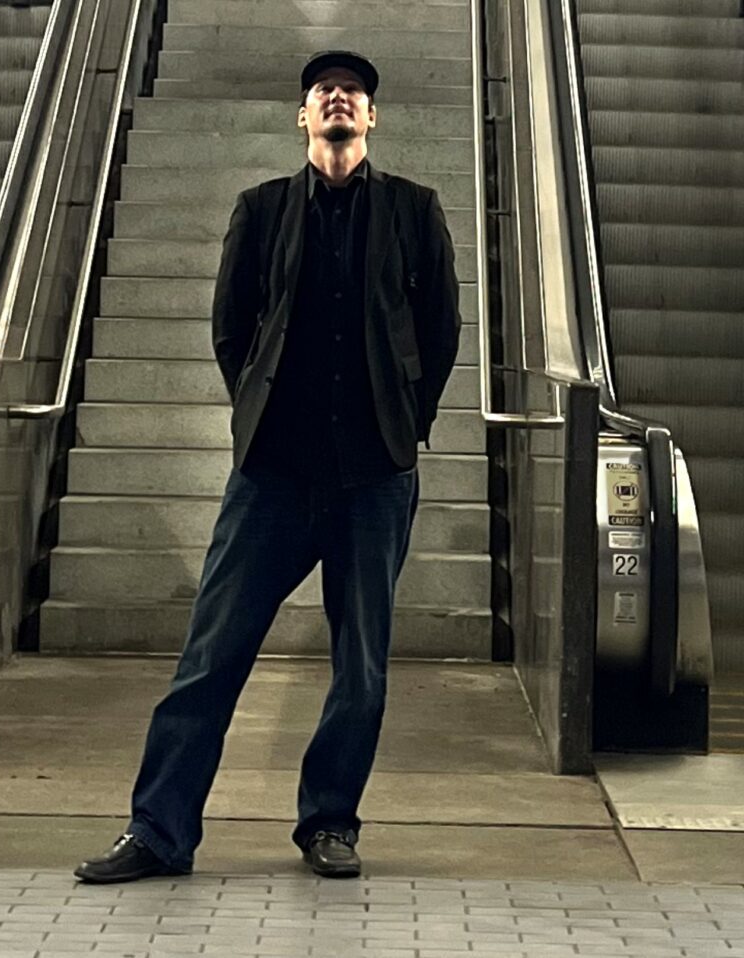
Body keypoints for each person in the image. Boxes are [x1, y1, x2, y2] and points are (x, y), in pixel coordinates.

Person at [74, 50, 461, 884]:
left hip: (374, 478)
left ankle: (329, 822)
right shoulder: (262, 210)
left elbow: (441, 329)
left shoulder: (414, 211)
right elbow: (231, 327)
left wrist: (407, 422)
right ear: (303, 117)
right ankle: (159, 832)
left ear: (370, 118)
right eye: (325, 91)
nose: (338, 100)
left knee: (361, 669)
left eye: (354, 91)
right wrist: (256, 412)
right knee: (210, 658)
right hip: (273, 478)